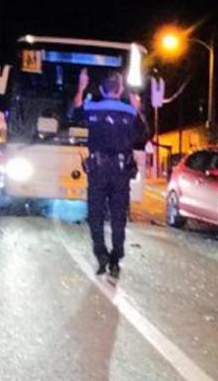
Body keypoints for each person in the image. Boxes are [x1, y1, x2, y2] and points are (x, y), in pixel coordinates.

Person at [72, 68, 148, 278]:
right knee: (118, 217)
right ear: (121, 89)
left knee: (95, 215)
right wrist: (137, 107)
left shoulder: (92, 107)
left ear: (101, 90)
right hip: (120, 172)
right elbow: (143, 133)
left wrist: (81, 85)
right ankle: (116, 258)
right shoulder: (129, 112)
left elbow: (75, 109)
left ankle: (101, 255)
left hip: (97, 171)